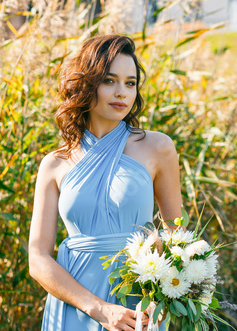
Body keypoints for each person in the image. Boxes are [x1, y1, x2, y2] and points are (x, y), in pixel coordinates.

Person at [28, 34, 183, 330]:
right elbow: (37, 258)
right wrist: (97, 308)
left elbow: (178, 235)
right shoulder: (54, 164)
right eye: (109, 81)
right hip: (76, 306)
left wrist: (159, 300)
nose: (122, 92)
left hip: (139, 307)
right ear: (87, 84)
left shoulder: (158, 148)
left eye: (130, 83)